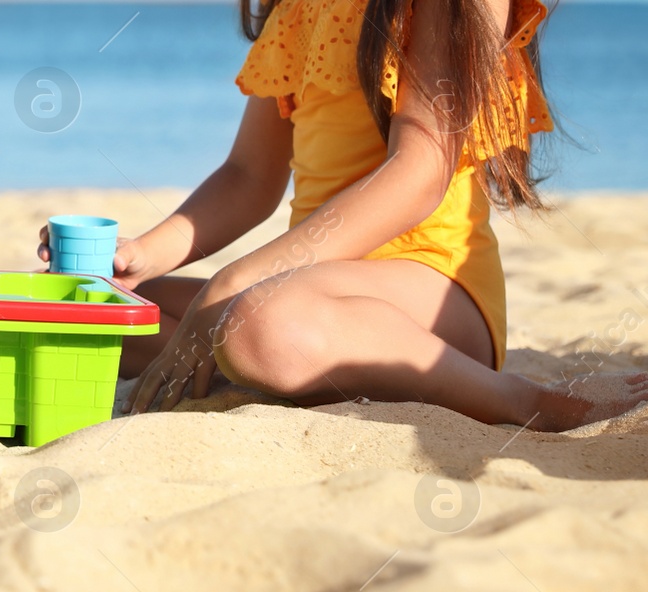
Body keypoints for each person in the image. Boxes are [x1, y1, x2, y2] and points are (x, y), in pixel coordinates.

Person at [39, 0, 647, 431]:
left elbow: (420, 175)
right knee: (101, 317)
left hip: (432, 290)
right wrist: (142, 254)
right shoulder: (298, 7)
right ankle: (264, 372)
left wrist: (234, 281)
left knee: (255, 322)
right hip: (311, 284)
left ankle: (519, 400)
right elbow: (250, 178)